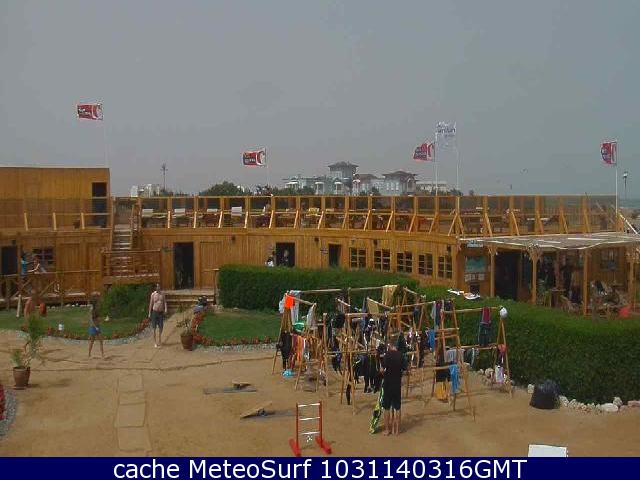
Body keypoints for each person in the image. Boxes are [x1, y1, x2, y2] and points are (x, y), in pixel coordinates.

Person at [381, 342, 403, 435]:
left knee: (387, 408)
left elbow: (382, 369)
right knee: (397, 407)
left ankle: (387, 430)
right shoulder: (401, 355)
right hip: (397, 384)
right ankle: (397, 430)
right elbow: (406, 368)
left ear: (390, 346)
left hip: (388, 384)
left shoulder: (387, 355)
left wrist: (384, 374)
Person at [148, 283, 167, 348]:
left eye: (158, 286)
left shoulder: (162, 294)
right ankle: (155, 342)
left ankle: (160, 339)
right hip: (154, 312)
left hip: (161, 312)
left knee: (161, 327)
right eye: (157, 286)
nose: (158, 287)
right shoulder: (153, 294)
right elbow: (151, 304)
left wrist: (166, 309)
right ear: (155, 288)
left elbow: (165, 302)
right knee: (154, 328)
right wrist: (149, 313)